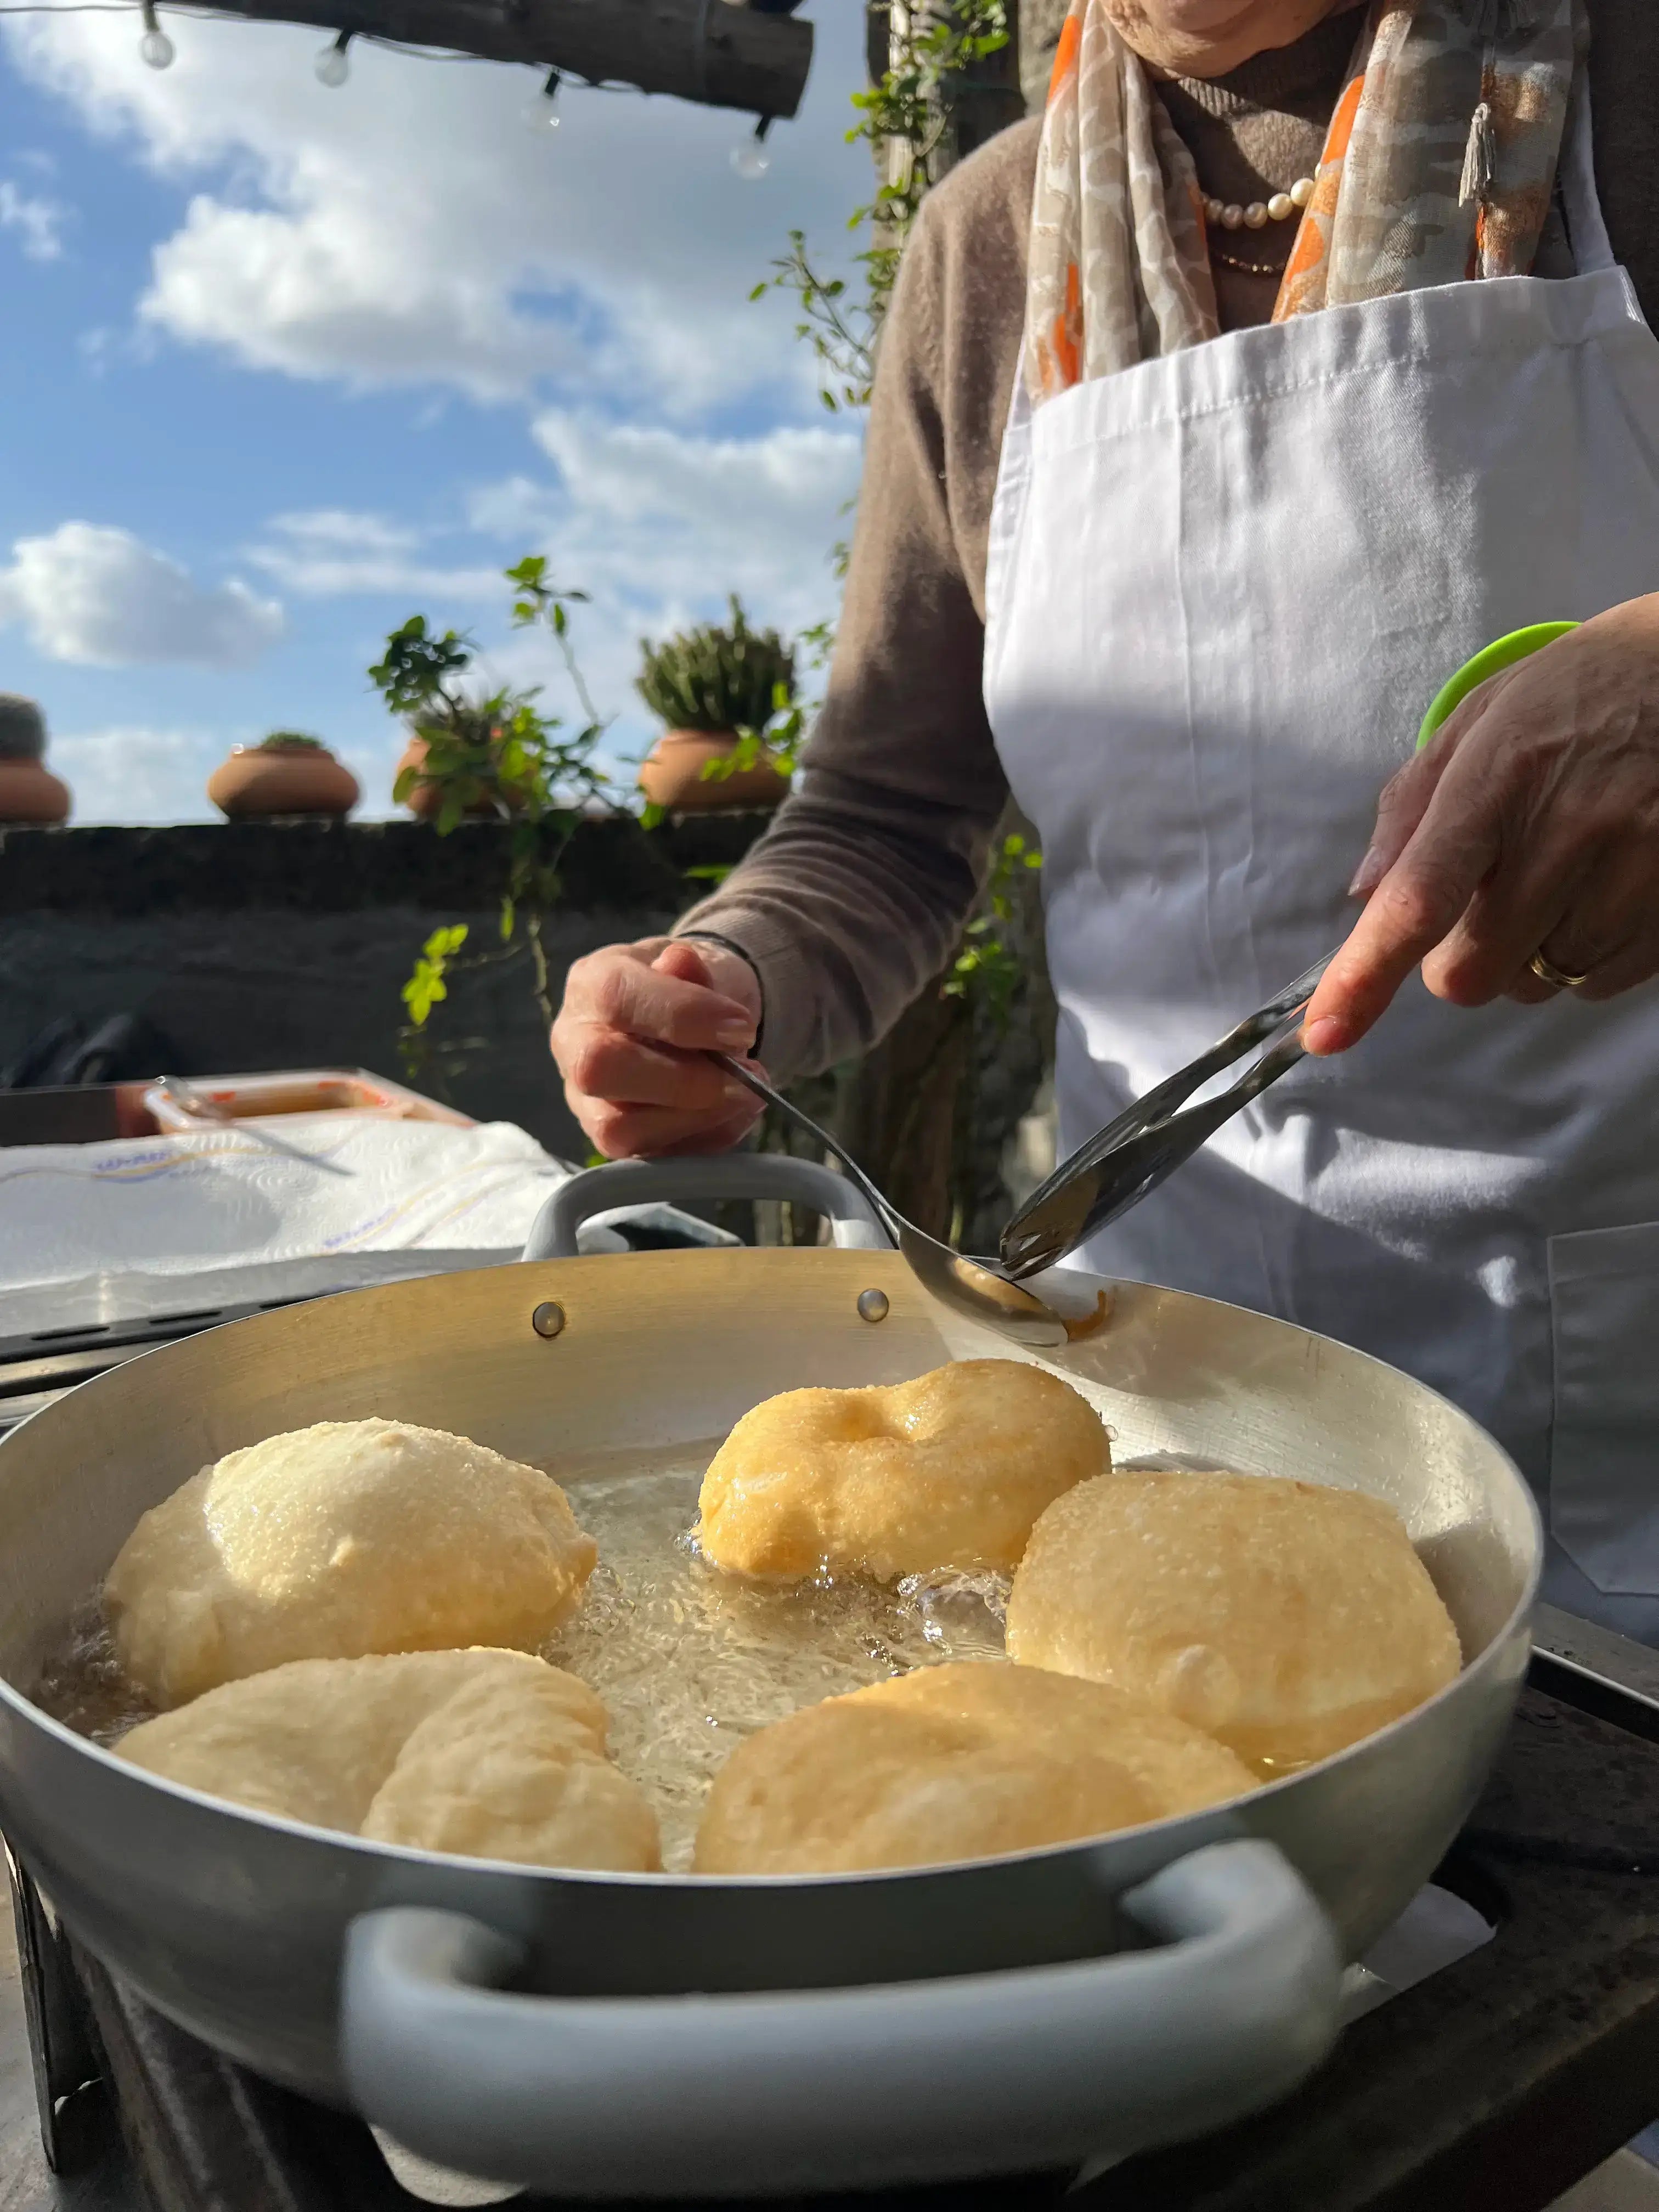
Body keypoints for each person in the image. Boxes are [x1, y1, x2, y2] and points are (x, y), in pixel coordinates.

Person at [552, 0, 1659, 1640]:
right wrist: (729, 978)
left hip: (1616, 1374)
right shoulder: (988, 244)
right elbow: (887, 807)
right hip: (1159, 1394)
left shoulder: (1618, 85)